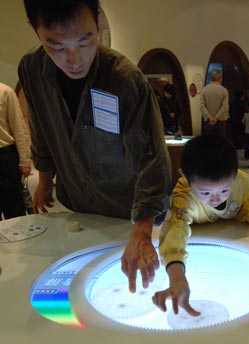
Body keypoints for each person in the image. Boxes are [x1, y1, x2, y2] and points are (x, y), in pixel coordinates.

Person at [19, 0, 172, 292]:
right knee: (79, 288)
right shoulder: (31, 69)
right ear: (35, 31)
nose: (74, 59)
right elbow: (40, 124)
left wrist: (142, 229)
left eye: (86, 40)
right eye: (57, 47)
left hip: (124, 213)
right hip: (76, 203)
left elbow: (154, 157)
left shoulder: (125, 80)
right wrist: (46, 178)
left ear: (98, 20)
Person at [152, 135, 249, 315]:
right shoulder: (184, 196)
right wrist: (177, 276)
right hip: (204, 252)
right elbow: (176, 229)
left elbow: (245, 207)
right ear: (185, 177)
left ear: (235, 175)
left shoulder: (241, 182)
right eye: (204, 192)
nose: (215, 198)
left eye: (224, 190)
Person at [0, 82, 31, 220]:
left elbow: (19, 127)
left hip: (4, 156)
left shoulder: (5, 92)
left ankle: (21, 241)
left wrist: (24, 161)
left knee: (13, 206)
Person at [199, 69, 229, 137]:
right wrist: (216, 118)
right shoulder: (224, 90)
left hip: (208, 122)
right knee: (220, 143)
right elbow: (224, 107)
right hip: (221, 121)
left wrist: (210, 117)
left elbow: (202, 106)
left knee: (209, 143)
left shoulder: (204, 90)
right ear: (219, 77)